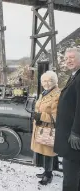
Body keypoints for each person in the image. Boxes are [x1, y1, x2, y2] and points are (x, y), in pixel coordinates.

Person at [54, 48, 80, 191]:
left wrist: (76, 131)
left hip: (73, 138)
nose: (68, 61)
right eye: (66, 58)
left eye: (72, 57)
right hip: (70, 134)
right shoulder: (74, 76)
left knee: (71, 174)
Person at [31, 70, 60, 185]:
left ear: (55, 81)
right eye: (44, 81)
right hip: (41, 128)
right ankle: (46, 172)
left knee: (48, 153)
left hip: (48, 130)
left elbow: (56, 117)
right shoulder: (44, 92)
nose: (46, 83)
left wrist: (40, 116)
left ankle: (48, 175)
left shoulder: (57, 95)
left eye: (49, 81)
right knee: (44, 152)